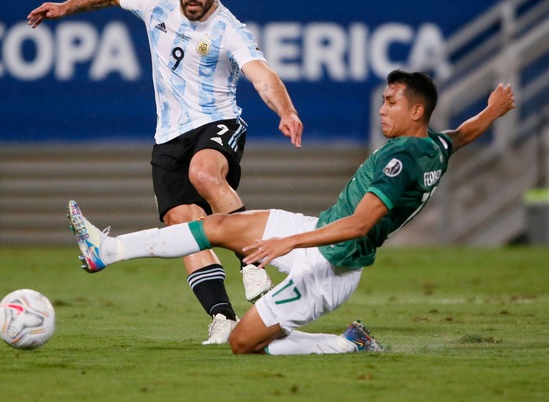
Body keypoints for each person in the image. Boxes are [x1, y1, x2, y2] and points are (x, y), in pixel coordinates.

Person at [67, 70, 516, 355]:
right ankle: (106, 250)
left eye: (392, 102)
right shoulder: (434, 146)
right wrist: (492, 112)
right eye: (383, 99)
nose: (382, 109)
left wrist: (288, 244)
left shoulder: (400, 162)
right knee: (220, 224)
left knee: (244, 343)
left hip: (332, 265)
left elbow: (359, 225)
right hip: (317, 230)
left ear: (416, 111)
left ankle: (345, 344)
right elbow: (462, 134)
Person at [27, 0, 303, 344]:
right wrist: (65, 8)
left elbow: (262, 74)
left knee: (204, 172)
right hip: (168, 138)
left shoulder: (230, 29)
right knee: (186, 229)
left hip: (218, 123)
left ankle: (252, 261)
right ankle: (222, 318)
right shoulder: (157, 3)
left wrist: (286, 111)